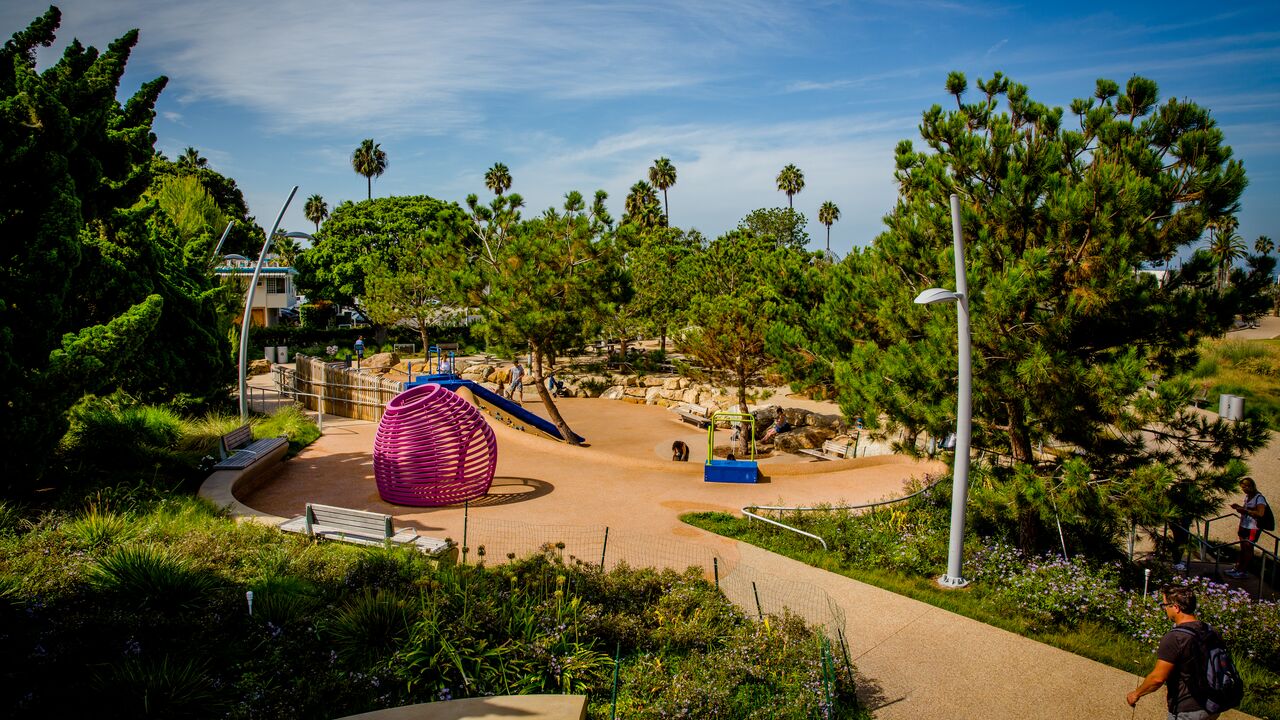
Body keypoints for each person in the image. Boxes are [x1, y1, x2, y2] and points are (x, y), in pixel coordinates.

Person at [1127, 585, 1227, 718]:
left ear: (1175, 607)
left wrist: (1136, 694)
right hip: (1212, 705)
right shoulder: (1210, 630)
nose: (1165, 609)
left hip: (1188, 709)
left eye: (1165, 605)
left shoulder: (1175, 638)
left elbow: (1157, 678)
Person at [1226, 476, 1268, 579]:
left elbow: (1260, 513)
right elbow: (1246, 508)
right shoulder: (1247, 496)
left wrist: (1245, 511)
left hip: (1252, 527)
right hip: (1244, 524)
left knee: (1248, 548)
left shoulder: (1259, 498)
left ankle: (1243, 571)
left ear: (1250, 486)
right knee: (1243, 548)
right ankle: (1238, 567)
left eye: (1245, 487)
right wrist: (1239, 507)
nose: (1243, 490)